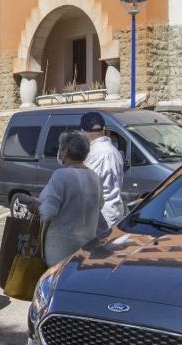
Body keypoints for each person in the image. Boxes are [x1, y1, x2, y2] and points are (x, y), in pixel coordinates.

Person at [29, 130, 103, 265]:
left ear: (65, 151)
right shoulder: (95, 177)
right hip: (85, 248)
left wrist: (36, 206)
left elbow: (48, 212)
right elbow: (100, 205)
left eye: (60, 148)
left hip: (60, 251)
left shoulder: (61, 175)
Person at [80, 111, 125, 233]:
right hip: (115, 211)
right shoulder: (115, 152)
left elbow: (87, 190)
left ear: (83, 132)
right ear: (104, 129)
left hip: (101, 217)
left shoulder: (93, 154)